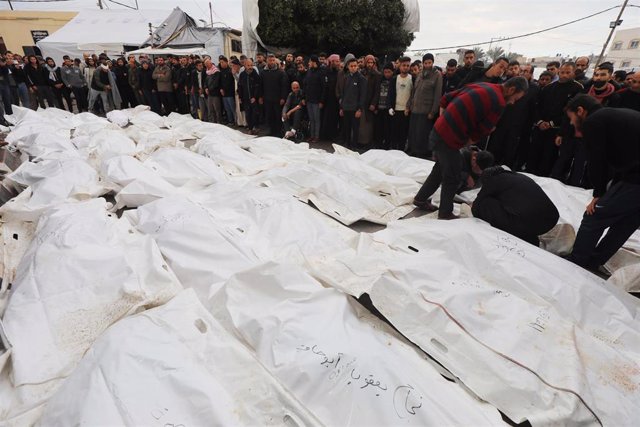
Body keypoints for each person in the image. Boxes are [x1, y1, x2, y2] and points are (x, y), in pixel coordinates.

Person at [413, 77, 528, 220]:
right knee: (452, 176)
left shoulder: (483, 84)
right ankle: (445, 213)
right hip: (449, 139)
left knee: (440, 169)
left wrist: (445, 120)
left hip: (439, 131)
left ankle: (420, 199)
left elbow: (446, 98)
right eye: (515, 98)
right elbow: (481, 131)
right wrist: (465, 138)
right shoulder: (498, 102)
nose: (512, 102)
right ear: (511, 90)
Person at [565, 94, 640, 271]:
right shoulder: (615, 116)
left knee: (595, 216)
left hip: (636, 179)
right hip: (634, 175)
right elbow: (622, 161)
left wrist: (598, 194)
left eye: (571, 118)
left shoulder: (594, 122)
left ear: (580, 111)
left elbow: (596, 160)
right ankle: (594, 262)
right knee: (626, 222)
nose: (571, 123)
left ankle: (577, 261)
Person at [471, 166, 559, 246]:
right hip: (550, 220)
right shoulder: (517, 176)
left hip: (531, 221)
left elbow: (477, 204)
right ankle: (528, 235)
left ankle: (526, 238)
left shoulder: (494, 180)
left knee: (485, 203)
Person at [528, 62, 582, 178]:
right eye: (562, 72)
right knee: (533, 154)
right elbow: (537, 106)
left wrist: (552, 124)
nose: (564, 75)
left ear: (573, 72)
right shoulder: (549, 88)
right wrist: (540, 122)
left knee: (548, 157)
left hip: (558, 130)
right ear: (558, 72)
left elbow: (570, 112)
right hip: (541, 127)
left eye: (568, 72)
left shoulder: (578, 88)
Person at [407, 53, 442, 158]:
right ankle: (412, 151)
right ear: (423, 63)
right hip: (415, 109)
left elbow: (437, 95)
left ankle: (421, 154)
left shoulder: (437, 75)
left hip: (426, 111)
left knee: (422, 134)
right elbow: (414, 92)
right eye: (425, 63)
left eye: (429, 63)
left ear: (432, 62)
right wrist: (409, 105)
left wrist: (433, 111)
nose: (427, 65)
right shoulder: (420, 74)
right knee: (413, 132)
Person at [339, 57, 367, 148]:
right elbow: (343, 94)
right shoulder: (346, 77)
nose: (353, 67)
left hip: (355, 109)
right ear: (348, 66)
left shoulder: (361, 78)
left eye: (355, 66)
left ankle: (354, 146)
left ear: (357, 66)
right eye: (351, 66)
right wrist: (341, 107)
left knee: (355, 129)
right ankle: (347, 144)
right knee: (346, 128)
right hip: (346, 107)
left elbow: (363, 95)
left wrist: (360, 109)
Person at [387, 56, 413, 151]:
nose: (405, 67)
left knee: (403, 134)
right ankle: (393, 152)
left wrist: (409, 108)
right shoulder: (394, 79)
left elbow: (413, 95)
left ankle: (402, 152)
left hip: (406, 111)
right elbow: (390, 94)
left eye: (407, 65)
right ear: (399, 66)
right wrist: (389, 107)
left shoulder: (412, 79)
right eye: (403, 65)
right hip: (395, 110)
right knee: (394, 134)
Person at [261, 54, 289, 137]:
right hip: (267, 98)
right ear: (267, 61)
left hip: (277, 99)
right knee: (269, 116)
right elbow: (261, 85)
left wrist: (283, 98)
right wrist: (261, 96)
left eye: (273, 60)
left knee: (277, 116)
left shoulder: (281, 72)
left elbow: (285, 86)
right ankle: (271, 131)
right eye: (270, 60)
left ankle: (279, 132)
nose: (272, 62)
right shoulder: (263, 72)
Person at [359, 54, 381, 146]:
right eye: (368, 62)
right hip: (362, 102)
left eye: (371, 62)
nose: (370, 64)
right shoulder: (361, 73)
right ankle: (360, 141)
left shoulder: (377, 74)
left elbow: (377, 91)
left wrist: (373, 103)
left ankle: (367, 143)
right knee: (361, 123)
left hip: (370, 102)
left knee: (368, 124)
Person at [303, 55, 325, 142]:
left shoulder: (321, 72)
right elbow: (305, 85)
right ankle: (312, 135)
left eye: (310, 61)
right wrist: (304, 97)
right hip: (309, 99)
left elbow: (324, 88)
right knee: (311, 119)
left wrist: (321, 101)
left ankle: (317, 136)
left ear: (314, 62)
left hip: (317, 100)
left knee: (317, 119)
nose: (308, 63)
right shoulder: (309, 71)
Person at [237, 58, 262, 134]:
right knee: (248, 114)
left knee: (255, 113)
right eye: (248, 65)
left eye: (251, 65)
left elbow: (258, 86)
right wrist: (240, 97)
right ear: (245, 66)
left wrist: (255, 97)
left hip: (254, 98)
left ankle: (256, 127)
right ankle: (250, 128)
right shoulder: (242, 75)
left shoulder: (255, 74)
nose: (250, 67)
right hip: (245, 98)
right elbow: (240, 86)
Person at [374, 63, 394, 149]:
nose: (387, 74)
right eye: (385, 72)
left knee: (387, 129)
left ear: (392, 72)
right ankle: (379, 145)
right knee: (379, 128)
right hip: (380, 108)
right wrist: (375, 106)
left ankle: (387, 145)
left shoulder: (394, 80)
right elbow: (376, 93)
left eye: (389, 72)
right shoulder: (380, 80)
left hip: (388, 109)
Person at [321, 54, 341, 141]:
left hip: (337, 99)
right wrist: (322, 100)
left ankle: (333, 135)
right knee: (326, 118)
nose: (335, 63)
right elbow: (324, 86)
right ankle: (325, 136)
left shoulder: (340, 72)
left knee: (335, 119)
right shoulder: (326, 71)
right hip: (327, 99)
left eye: (337, 61)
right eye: (334, 61)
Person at [219, 56, 236, 125]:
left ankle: (236, 121)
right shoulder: (221, 71)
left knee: (232, 108)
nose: (221, 64)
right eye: (220, 63)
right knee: (227, 108)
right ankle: (230, 121)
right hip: (224, 94)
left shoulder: (230, 70)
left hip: (230, 93)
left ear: (226, 62)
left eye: (222, 62)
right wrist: (221, 89)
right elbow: (220, 82)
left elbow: (232, 83)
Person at [204, 59, 222, 123]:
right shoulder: (207, 71)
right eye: (205, 65)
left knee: (217, 109)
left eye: (207, 65)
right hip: (209, 94)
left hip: (215, 93)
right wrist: (206, 88)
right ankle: (212, 122)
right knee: (210, 109)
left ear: (211, 64)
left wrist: (209, 89)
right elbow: (205, 81)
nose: (207, 66)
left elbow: (216, 83)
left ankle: (219, 122)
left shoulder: (216, 71)